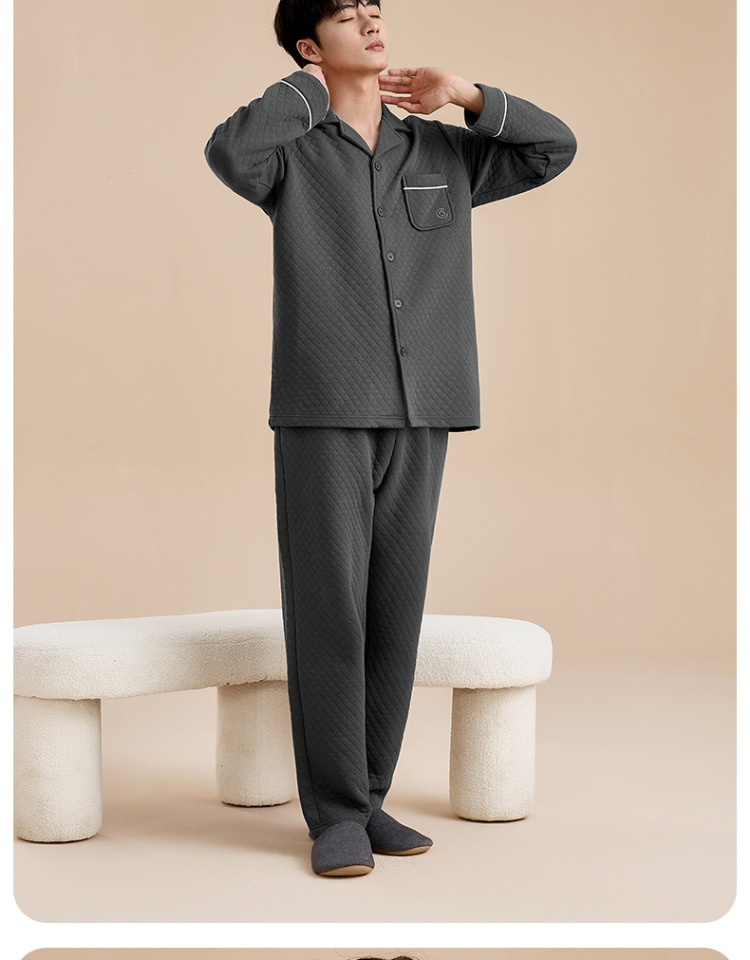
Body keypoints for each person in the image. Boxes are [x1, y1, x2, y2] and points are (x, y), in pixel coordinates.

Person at [203, 0, 576, 878]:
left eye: (376, 10)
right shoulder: (290, 151)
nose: (372, 24)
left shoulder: (443, 150)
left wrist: (469, 95)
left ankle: (369, 798)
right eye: (347, 16)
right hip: (325, 405)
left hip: (426, 404)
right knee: (329, 608)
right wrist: (311, 91)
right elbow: (229, 153)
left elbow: (552, 149)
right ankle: (333, 813)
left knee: (394, 611)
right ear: (310, 44)